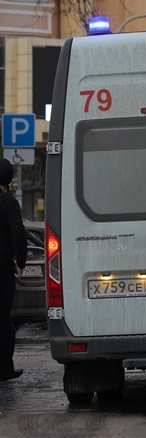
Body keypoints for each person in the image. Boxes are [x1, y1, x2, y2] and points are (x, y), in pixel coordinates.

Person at [0, 158, 27, 382]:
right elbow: (18, 233)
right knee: (3, 319)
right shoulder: (9, 204)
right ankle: (4, 368)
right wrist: (21, 262)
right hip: (2, 267)